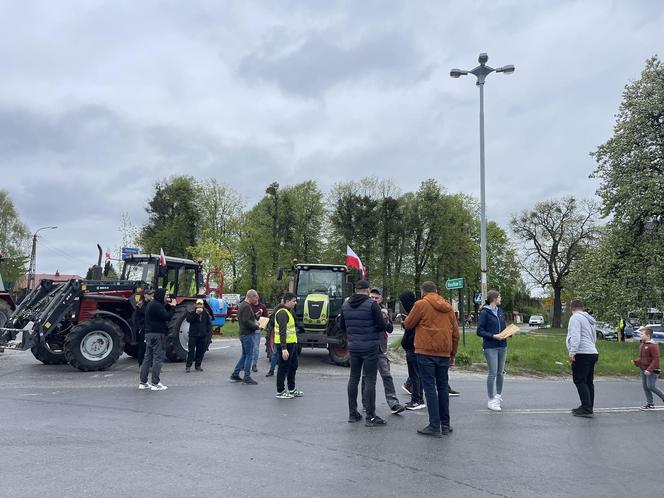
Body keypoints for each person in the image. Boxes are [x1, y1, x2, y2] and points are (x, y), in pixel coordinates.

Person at [403, 281, 459, 437]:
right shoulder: (448, 307)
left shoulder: (421, 304)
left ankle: (434, 425)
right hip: (444, 353)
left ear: (423, 291)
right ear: (437, 291)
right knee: (442, 388)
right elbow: (455, 334)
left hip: (425, 352)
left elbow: (408, 324)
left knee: (429, 388)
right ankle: (445, 425)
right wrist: (452, 355)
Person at [341, 279, 392, 427]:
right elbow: (381, 326)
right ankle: (370, 416)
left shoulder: (345, 305)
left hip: (353, 347)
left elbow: (342, 326)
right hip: (370, 347)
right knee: (370, 380)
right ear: (368, 290)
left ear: (355, 290)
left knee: (353, 378)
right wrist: (385, 320)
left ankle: (352, 413)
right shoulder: (372, 305)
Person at [362, 288, 404, 414]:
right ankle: (366, 403)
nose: (374, 299)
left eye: (376, 298)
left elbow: (390, 329)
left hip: (381, 348)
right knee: (366, 377)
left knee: (387, 375)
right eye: (372, 297)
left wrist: (385, 318)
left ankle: (393, 403)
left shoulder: (384, 310)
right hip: (368, 347)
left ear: (381, 299)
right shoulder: (365, 308)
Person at [566, 299, 599, 418]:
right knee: (588, 381)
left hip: (582, 352)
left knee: (580, 380)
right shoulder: (588, 319)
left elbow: (575, 336)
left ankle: (586, 408)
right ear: (583, 307)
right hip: (592, 351)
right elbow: (594, 336)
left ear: (572, 308)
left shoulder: (575, 318)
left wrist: (572, 352)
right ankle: (588, 406)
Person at [476, 290, 508, 412]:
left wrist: (508, 332)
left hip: (503, 345)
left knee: (501, 372)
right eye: (499, 297)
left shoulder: (500, 311)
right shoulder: (484, 312)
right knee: (493, 372)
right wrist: (493, 336)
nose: (501, 299)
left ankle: (498, 397)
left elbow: (503, 326)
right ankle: (490, 400)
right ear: (494, 298)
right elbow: (479, 331)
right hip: (490, 346)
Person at [139, 288, 175, 391]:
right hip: (158, 334)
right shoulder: (157, 305)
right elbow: (167, 316)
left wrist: (168, 304)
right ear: (161, 295)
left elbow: (161, 311)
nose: (168, 297)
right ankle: (155, 383)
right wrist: (173, 308)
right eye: (166, 295)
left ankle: (143, 382)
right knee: (158, 358)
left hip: (149, 334)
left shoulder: (152, 304)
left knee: (148, 358)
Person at [399, 291, 425, 410]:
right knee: (417, 374)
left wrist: (405, 323)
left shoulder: (414, 312)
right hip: (416, 346)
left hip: (413, 346)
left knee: (415, 375)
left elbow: (410, 327)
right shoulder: (418, 310)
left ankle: (417, 399)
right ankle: (418, 398)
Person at [274, 292, 302, 399]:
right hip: (285, 345)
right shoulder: (282, 313)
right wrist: (284, 348)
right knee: (283, 368)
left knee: (293, 366)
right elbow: (282, 332)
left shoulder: (288, 312)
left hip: (292, 344)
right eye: (293, 301)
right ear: (286, 301)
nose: (295, 303)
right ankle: (280, 391)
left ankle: (291, 389)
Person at [230, 290, 260, 385]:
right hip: (247, 334)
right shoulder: (247, 306)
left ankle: (235, 374)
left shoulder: (243, 305)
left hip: (243, 333)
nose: (256, 300)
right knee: (249, 355)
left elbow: (245, 319)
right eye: (256, 298)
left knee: (244, 355)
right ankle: (247, 377)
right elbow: (246, 321)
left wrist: (255, 316)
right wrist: (257, 326)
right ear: (251, 296)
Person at [632, 326, 664, 410]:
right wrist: (636, 362)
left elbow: (656, 359)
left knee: (651, 386)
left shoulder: (653, 345)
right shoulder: (643, 344)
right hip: (643, 369)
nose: (640, 335)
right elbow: (643, 358)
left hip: (652, 370)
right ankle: (650, 404)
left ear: (648, 335)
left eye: (642, 334)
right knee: (645, 386)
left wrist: (649, 370)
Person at [185, 298, 211, 373]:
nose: (199, 306)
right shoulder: (192, 312)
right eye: (198, 304)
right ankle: (188, 366)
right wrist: (196, 314)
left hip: (202, 335)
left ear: (203, 305)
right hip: (193, 335)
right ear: (196, 305)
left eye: (201, 304)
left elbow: (208, 324)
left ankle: (198, 365)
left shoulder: (205, 313)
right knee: (191, 351)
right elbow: (189, 320)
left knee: (200, 351)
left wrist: (207, 333)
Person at [133, 288, 154, 367]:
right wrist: (139, 328)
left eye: (152, 294)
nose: (151, 296)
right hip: (143, 328)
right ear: (145, 295)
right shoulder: (140, 305)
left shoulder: (153, 304)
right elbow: (136, 318)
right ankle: (141, 364)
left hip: (151, 328)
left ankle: (151, 365)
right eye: (150, 294)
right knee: (142, 347)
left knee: (152, 348)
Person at [265, 297, 284, 377]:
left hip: (287, 337)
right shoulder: (278, 310)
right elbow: (272, 322)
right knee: (275, 354)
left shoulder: (290, 311)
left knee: (283, 355)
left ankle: (283, 371)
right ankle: (272, 370)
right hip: (279, 337)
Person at [251, 294, 268, 373]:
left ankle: (254, 364)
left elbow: (265, 317)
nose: (252, 299)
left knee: (256, 348)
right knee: (248, 347)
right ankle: (245, 364)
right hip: (249, 328)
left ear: (257, 298)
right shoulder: (249, 306)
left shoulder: (262, 307)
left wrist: (262, 327)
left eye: (254, 297)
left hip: (257, 329)